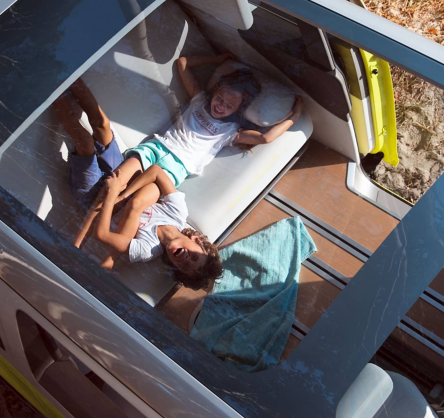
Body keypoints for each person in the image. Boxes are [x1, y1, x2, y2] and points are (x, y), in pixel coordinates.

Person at [71, 52, 303, 247]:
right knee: (116, 182)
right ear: (216, 91)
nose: (220, 106)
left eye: (229, 105)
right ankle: (77, 241)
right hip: (156, 147)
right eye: (220, 98)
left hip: (173, 171)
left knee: (130, 200)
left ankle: (99, 249)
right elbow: (182, 63)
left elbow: (265, 137)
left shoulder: (231, 131)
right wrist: (218, 58)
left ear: (239, 108)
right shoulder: (200, 100)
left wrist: (295, 115)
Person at [55, 79, 221, 290]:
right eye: (195, 259)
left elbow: (102, 233)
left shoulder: (147, 250)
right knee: (103, 125)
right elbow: (157, 172)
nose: (186, 260)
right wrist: (121, 194)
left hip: (92, 198)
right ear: (197, 241)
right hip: (118, 183)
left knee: (86, 143)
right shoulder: (177, 212)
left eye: (186, 268)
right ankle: (67, 76)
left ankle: (53, 96)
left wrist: (113, 195)